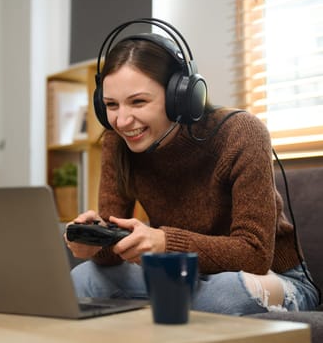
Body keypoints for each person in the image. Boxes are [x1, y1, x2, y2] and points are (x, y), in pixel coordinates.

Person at [64, 19, 319, 315]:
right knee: (84, 279)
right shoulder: (116, 142)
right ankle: (171, 308)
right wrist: (95, 243)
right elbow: (110, 259)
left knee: (223, 295)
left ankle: (165, 308)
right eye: (111, 105)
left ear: (180, 96)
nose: (122, 121)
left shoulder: (241, 132)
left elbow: (255, 255)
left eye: (138, 102)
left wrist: (164, 241)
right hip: (179, 273)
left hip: (269, 278)